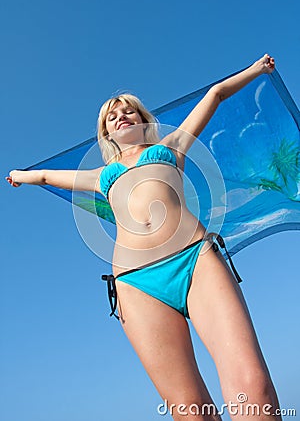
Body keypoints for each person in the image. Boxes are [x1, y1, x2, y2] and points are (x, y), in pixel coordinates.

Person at [7, 54, 282, 420]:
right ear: (106, 133)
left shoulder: (171, 147)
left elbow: (215, 95)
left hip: (195, 260)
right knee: (190, 412)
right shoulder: (100, 175)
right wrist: (18, 174)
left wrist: (256, 70)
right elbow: (44, 176)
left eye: (128, 112)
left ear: (143, 120)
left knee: (254, 389)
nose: (121, 117)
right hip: (136, 284)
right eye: (111, 116)